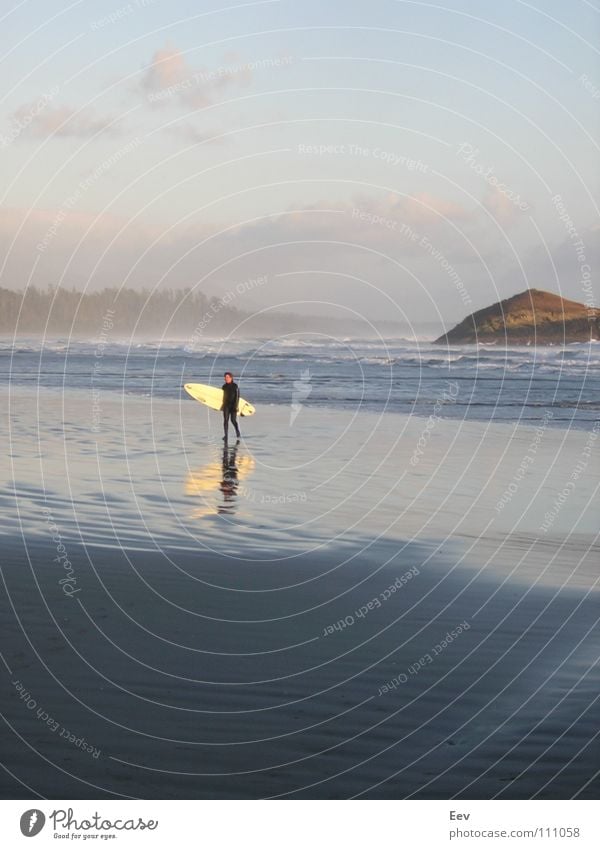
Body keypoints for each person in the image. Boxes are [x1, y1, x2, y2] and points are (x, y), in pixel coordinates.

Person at [221, 371, 241, 441]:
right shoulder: (224, 386)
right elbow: (222, 397)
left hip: (233, 406)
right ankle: (226, 435)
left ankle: (237, 430)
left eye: (227, 377)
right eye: (225, 377)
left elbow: (237, 397)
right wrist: (221, 406)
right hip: (226, 405)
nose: (226, 378)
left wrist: (236, 406)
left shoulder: (235, 386)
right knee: (225, 420)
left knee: (233, 420)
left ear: (231, 378)